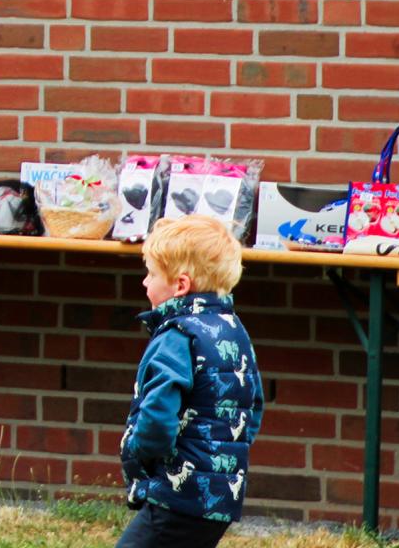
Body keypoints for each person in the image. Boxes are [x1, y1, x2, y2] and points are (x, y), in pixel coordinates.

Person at [117, 214, 263, 548]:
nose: (145, 282)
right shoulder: (234, 329)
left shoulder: (177, 335)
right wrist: (225, 453)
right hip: (221, 496)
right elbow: (252, 406)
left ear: (180, 286)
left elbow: (157, 415)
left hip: (177, 493)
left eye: (152, 274)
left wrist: (143, 457)